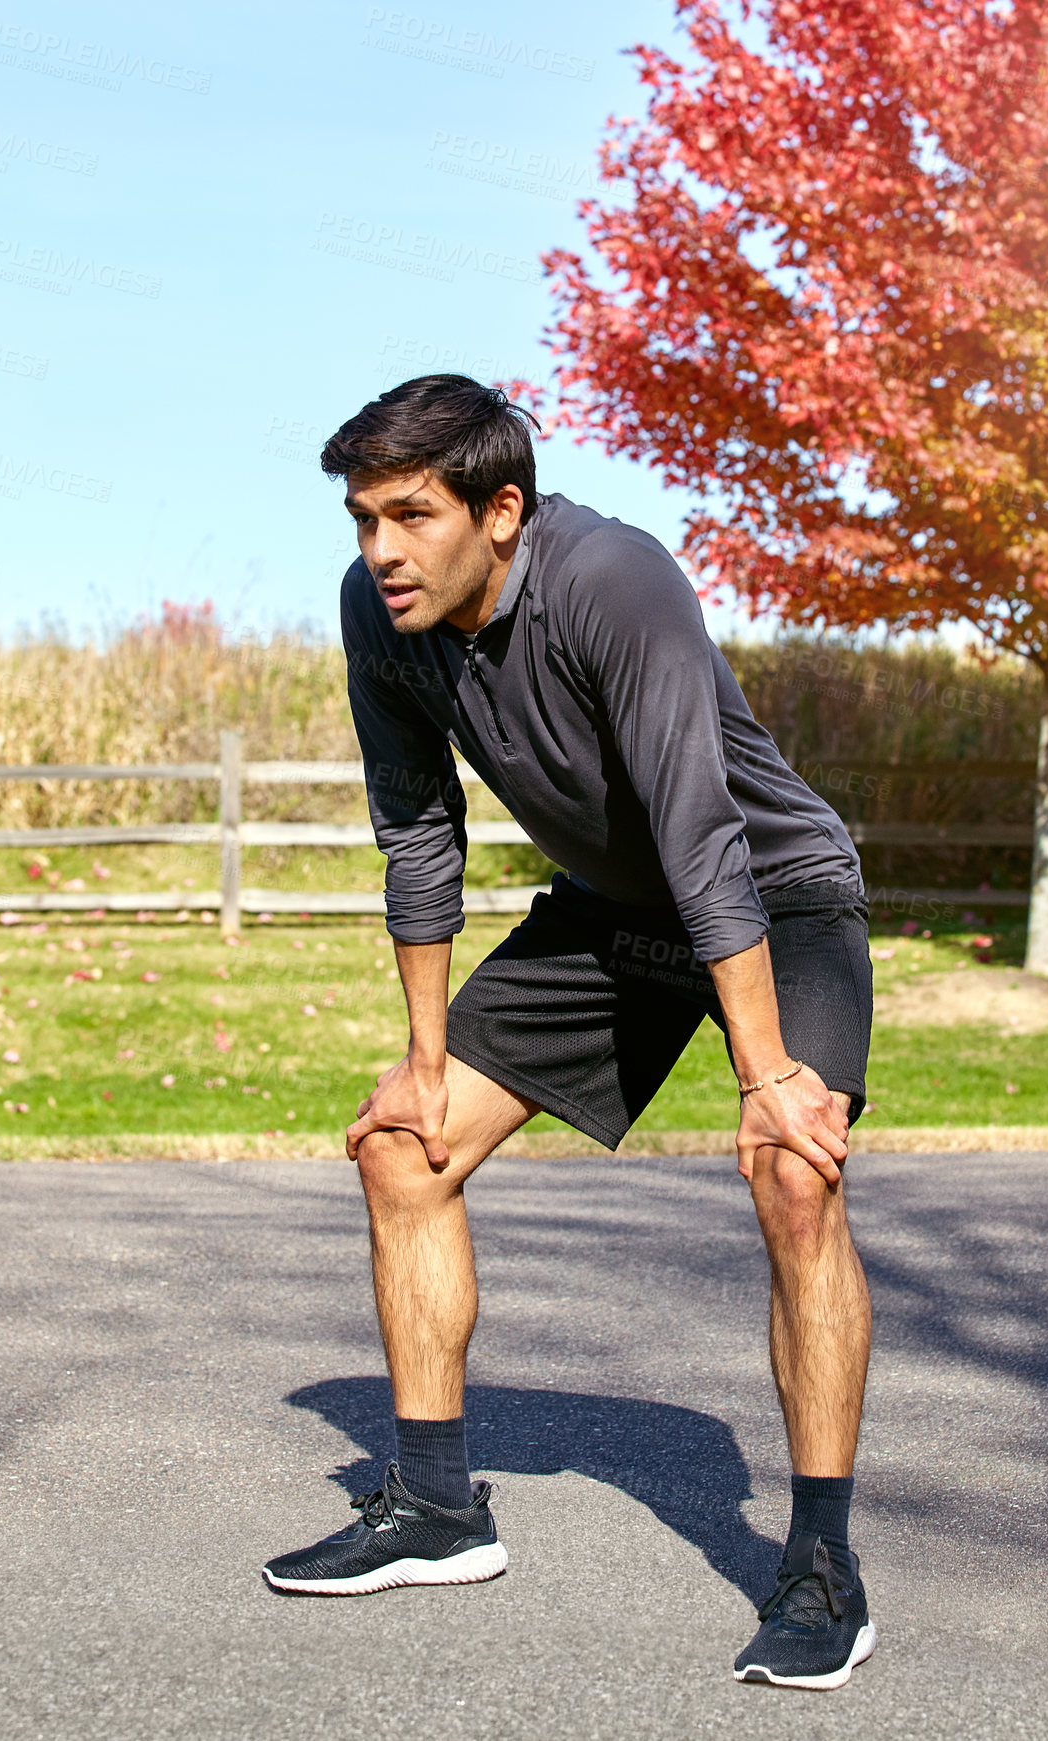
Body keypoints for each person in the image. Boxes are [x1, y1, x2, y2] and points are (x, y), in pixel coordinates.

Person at [263, 375, 876, 1692]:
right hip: (617, 914)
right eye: (365, 518)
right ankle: (434, 1505)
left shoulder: (615, 578)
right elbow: (417, 832)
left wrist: (767, 1076)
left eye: (410, 516)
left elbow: (704, 833)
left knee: (793, 1174)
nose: (381, 550)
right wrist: (427, 1062)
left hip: (778, 892)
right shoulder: (382, 616)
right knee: (400, 1151)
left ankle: (822, 1560)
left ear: (501, 510)